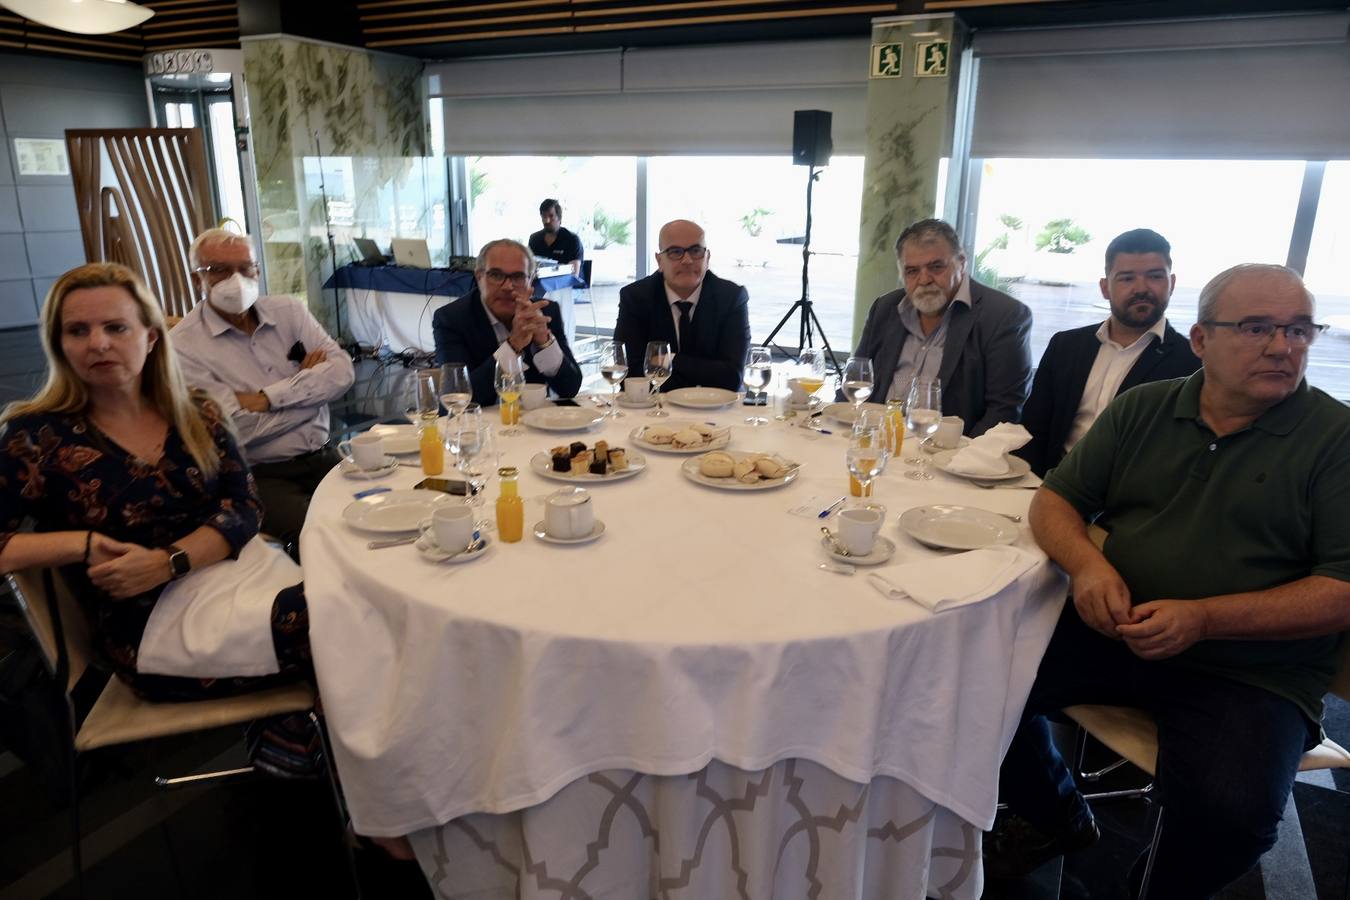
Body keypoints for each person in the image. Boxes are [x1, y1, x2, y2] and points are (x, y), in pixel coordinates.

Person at [988, 264, 1350, 898]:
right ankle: (1059, 817)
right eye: (1257, 327)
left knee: (1231, 815)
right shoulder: (1146, 408)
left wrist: (1205, 617)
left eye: (1299, 330)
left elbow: (1342, 589)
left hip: (1249, 669)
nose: (1282, 346)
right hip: (1117, 628)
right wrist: (1090, 566)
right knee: (971, 676)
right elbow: (1054, 501)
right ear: (1201, 340)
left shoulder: (1335, 438)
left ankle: (1152, 890)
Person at [0, 263, 313, 708]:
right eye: (77, 331)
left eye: (115, 327)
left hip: (237, 577)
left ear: (149, 337)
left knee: (358, 606)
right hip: (152, 627)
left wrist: (170, 561)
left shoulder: (199, 412)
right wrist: (83, 543)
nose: (98, 343)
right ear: (59, 344)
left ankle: (309, 740)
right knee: (342, 624)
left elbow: (245, 507)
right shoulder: (34, 437)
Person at [171, 229, 354, 548]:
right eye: (219, 270)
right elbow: (233, 430)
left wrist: (267, 399)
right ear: (195, 278)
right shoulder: (183, 346)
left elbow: (342, 373)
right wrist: (310, 393)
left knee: (385, 512)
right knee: (328, 540)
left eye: (245, 267)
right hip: (258, 475)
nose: (236, 279)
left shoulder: (289, 311)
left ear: (257, 269)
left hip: (324, 454)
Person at [1016, 228, 1200, 476]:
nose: (1141, 288)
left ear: (1172, 283)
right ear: (1105, 288)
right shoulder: (1066, 346)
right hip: (1050, 484)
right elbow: (1033, 430)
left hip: (1129, 503)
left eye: (1155, 276)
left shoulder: (1192, 362)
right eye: (1126, 278)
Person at [853, 218, 1032, 436]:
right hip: (878, 440)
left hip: (948, 454)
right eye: (912, 271)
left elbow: (1004, 412)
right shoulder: (886, 308)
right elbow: (857, 381)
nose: (924, 279)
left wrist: (961, 460)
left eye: (936, 267)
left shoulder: (1004, 316)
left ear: (962, 263)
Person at [431, 238, 582, 407]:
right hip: (480, 426)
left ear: (530, 280)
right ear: (479, 277)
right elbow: (459, 398)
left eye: (518, 277)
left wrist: (545, 344)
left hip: (535, 424)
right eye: (496, 275)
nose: (508, 286)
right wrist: (513, 345)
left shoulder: (545, 312)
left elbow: (570, 389)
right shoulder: (451, 319)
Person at [614, 219, 750, 393]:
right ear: (659, 260)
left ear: (707, 257)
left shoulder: (731, 298)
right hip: (653, 411)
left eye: (695, 251)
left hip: (716, 411)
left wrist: (671, 359)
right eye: (675, 252)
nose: (687, 260)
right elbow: (630, 376)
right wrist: (704, 372)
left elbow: (731, 377)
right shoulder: (636, 297)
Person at [527, 199, 584, 275]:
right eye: (544, 216)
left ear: (559, 218)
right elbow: (528, 267)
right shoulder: (534, 239)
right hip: (539, 283)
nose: (547, 220)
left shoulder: (572, 240)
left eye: (551, 216)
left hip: (566, 284)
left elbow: (573, 274)